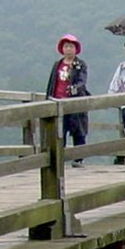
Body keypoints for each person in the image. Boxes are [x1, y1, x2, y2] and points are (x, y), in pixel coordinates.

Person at [46, 33, 90, 166]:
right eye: (66, 46)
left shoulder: (80, 64)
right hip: (58, 101)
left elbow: (82, 81)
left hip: (75, 103)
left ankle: (79, 159)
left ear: (76, 48)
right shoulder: (57, 64)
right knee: (60, 131)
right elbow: (52, 83)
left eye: (71, 46)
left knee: (78, 130)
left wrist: (74, 88)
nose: (68, 49)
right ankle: (59, 158)